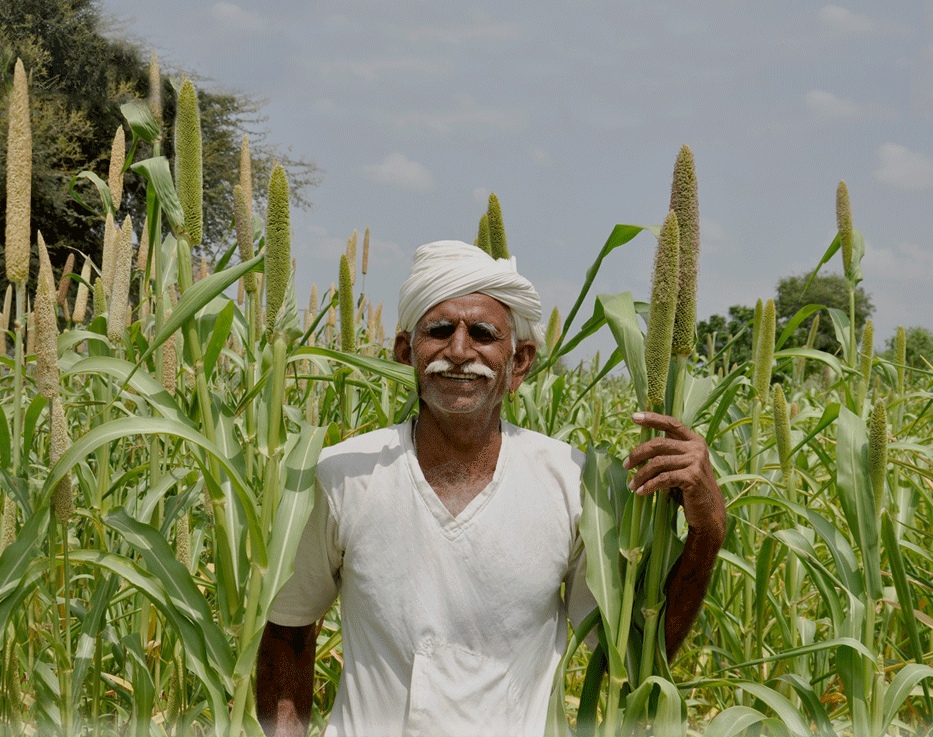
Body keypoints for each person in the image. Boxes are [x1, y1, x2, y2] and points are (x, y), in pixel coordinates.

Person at [256, 240, 726, 737]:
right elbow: (288, 632)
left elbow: (630, 658)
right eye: (439, 331)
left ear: (519, 363)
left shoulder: (572, 482)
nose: (459, 352)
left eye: (482, 334)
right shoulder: (343, 474)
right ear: (404, 351)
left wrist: (708, 531)